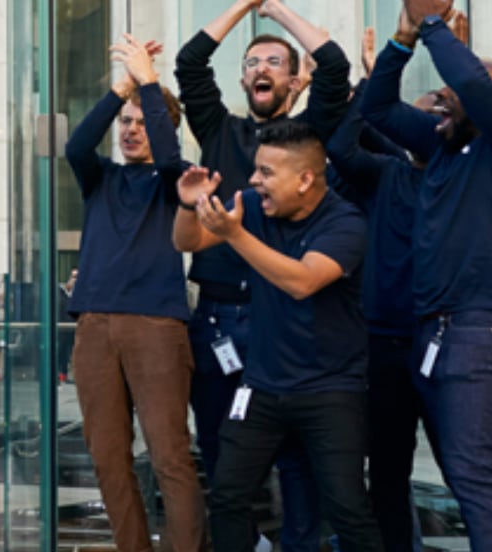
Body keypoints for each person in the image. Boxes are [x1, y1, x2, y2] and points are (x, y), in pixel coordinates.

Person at [176, 3, 351, 545]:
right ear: (242, 79)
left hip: (282, 314)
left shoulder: (307, 139)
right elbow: (189, 63)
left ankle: (299, 543)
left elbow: (335, 68)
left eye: (275, 62)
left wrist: (276, 9)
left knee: (297, 458)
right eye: (252, 63)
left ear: (295, 82)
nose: (261, 69)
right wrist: (243, 7)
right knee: (219, 447)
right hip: (217, 318)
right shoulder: (219, 129)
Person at [173, 119, 380, 551]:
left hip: (330, 389)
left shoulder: (346, 223)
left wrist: (235, 234)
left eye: (266, 172)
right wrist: (189, 205)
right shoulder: (253, 205)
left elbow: (302, 281)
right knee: (228, 496)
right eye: (256, 169)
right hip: (262, 387)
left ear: (304, 180)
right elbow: (187, 242)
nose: (253, 180)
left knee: (347, 508)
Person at [360, 2, 492, 547]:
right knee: (474, 470)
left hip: (484, 329)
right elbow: (378, 107)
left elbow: (473, 84)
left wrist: (431, 23)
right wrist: (402, 40)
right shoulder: (442, 144)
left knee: (476, 472)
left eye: (450, 101)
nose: (439, 107)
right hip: (437, 331)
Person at [63, 35, 205, 552]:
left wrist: (149, 84)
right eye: (125, 122)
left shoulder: (175, 181)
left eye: (143, 122)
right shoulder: (100, 178)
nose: (130, 130)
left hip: (156, 326)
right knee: (106, 456)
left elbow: (170, 160)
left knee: (169, 455)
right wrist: (121, 90)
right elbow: (76, 146)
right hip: (94, 325)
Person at [327, 25, 447, 551]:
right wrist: (374, 81)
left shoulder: (463, 176)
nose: (423, 124)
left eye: (435, 115)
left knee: (465, 463)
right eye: (411, 118)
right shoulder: (387, 172)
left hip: (443, 342)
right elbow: (343, 142)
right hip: (381, 344)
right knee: (388, 469)